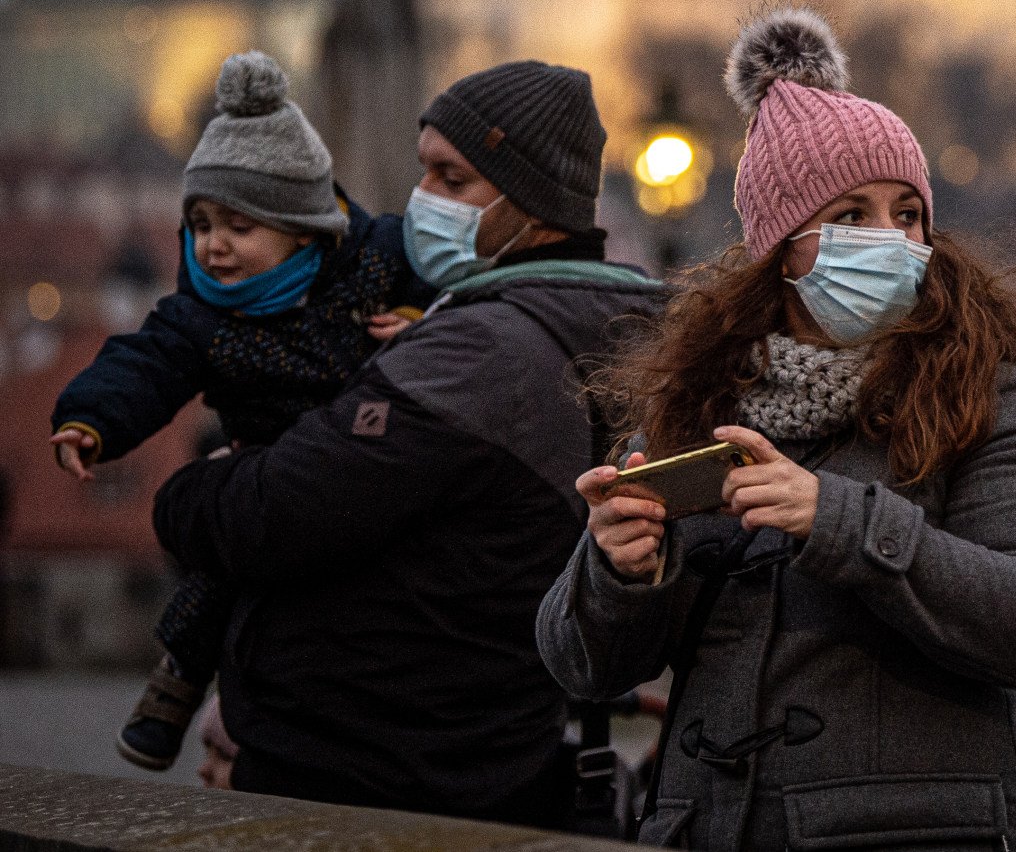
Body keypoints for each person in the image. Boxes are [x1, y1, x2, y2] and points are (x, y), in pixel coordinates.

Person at [537, 7, 1016, 851]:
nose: (892, 239)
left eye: (908, 213)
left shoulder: (987, 396)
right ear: (781, 245)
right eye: (853, 214)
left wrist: (841, 520)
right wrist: (617, 565)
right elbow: (582, 666)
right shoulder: (696, 401)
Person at [152, 59, 661, 827]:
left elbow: (268, 515)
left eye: (452, 179)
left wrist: (192, 485)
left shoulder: (479, 353)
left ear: (534, 203)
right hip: (475, 763)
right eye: (425, 172)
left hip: (367, 782)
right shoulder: (598, 327)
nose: (423, 199)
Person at [45, 51, 430, 771]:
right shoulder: (200, 316)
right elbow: (145, 363)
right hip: (262, 460)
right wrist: (90, 416)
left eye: (238, 226)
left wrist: (412, 310)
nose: (213, 245)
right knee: (217, 578)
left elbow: (421, 263)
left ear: (304, 226)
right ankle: (175, 685)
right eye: (200, 224)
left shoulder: (370, 256)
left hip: (357, 455)